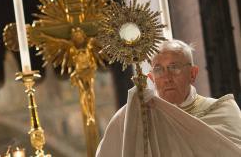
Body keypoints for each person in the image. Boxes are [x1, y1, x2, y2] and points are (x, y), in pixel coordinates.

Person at [96, 39, 241, 157]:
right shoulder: (131, 117)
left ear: (193, 73)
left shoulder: (223, 111)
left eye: (174, 67)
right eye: (158, 70)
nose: (167, 77)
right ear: (151, 78)